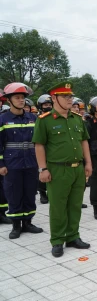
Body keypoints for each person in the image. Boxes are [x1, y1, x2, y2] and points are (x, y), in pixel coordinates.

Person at [32, 82, 92, 258]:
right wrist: (42, 169)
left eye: (70, 96)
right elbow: (39, 145)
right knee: (58, 207)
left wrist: (88, 163)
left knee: (75, 205)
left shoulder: (77, 118)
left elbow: (84, 142)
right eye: (65, 96)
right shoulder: (45, 120)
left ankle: (73, 236)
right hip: (57, 170)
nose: (69, 99)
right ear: (54, 98)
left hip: (77, 169)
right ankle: (57, 240)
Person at [0, 83, 43, 239]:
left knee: (30, 193)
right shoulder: (3, 119)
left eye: (22, 98)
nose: (21, 100)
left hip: (31, 162)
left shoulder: (33, 118)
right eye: (17, 97)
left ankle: (28, 223)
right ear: (9, 100)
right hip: (12, 164)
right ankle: (16, 225)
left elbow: (40, 142)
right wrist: (1, 164)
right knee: (14, 194)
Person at [36, 94, 54, 204]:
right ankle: (42, 193)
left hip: (52, 150)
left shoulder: (54, 118)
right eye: (45, 105)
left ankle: (51, 193)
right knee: (42, 170)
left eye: (49, 104)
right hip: (41, 149)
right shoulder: (37, 119)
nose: (48, 106)